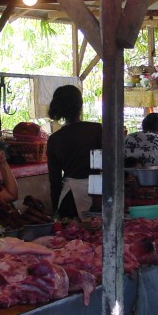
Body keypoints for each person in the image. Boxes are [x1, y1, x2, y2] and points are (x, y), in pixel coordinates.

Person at [46, 85, 103, 219]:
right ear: (80, 105)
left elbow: (54, 181)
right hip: (98, 196)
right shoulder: (96, 130)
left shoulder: (54, 139)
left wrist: (56, 209)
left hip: (69, 200)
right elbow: (103, 166)